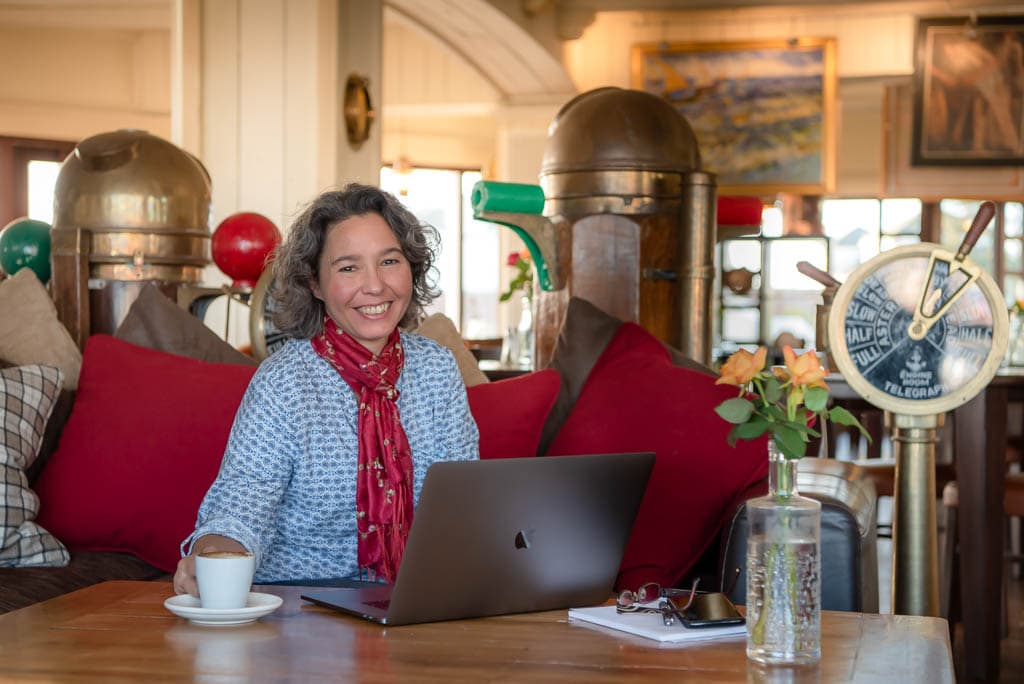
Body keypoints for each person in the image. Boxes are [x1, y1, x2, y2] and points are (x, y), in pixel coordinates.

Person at [173, 184, 480, 596]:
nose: (374, 286)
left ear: (412, 268)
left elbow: (465, 500)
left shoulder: (437, 368)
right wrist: (214, 557)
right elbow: (243, 501)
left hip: (417, 599)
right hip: (302, 606)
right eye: (348, 268)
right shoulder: (284, 381)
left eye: (389, 261)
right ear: (315, 283)